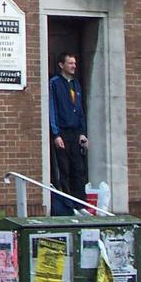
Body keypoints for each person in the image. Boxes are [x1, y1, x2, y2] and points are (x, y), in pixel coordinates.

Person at [49, 52, 89, 215]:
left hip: (75, 133)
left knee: (78, 169)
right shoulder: (55, 83)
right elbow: (52, 109)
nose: (73, 66)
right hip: (62, 132)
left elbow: (79, 109)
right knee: (64, 170)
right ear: (61, 65)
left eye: (74, 63)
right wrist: (56, 133)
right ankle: (68, 205)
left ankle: (80, 204)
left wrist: (82, 132)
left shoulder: (75, 84)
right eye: (70, 63)